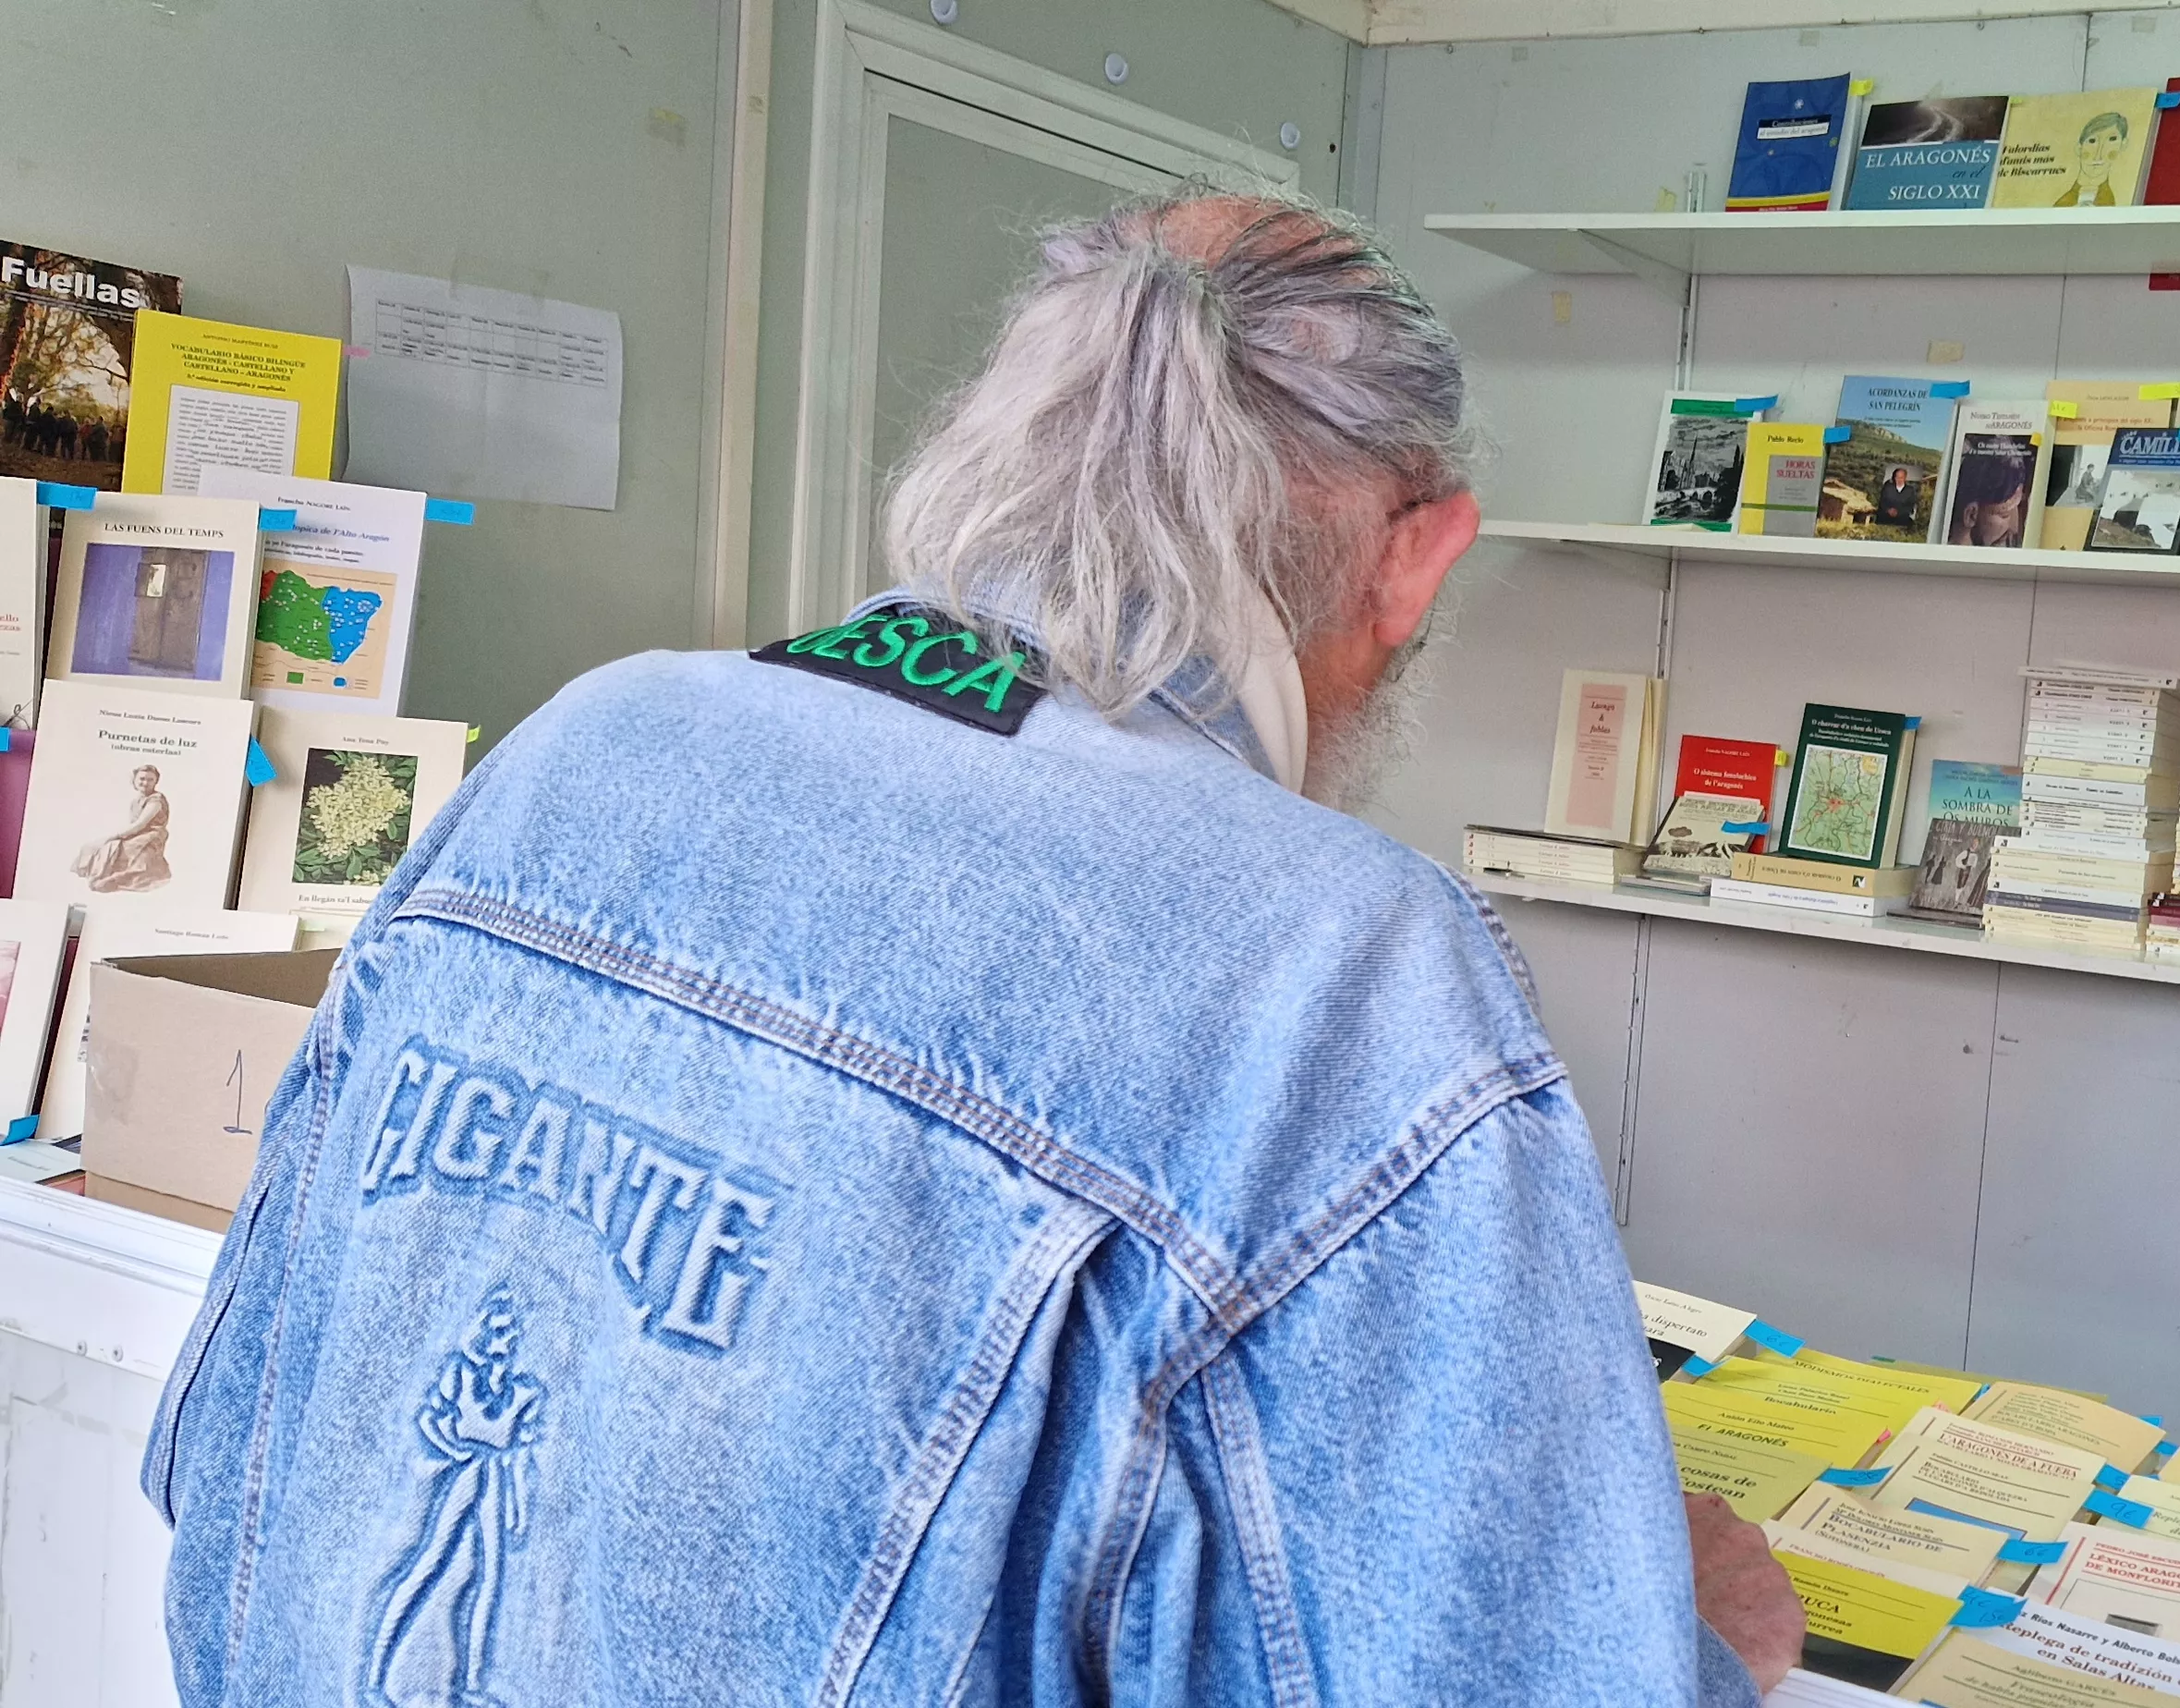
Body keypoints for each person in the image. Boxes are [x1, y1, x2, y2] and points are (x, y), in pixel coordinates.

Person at [142, 189, 1801, 1706]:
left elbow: (224, 1453)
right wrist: (1696, 1634)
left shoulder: (580, 746)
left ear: (1002, 442)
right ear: (1415, 555)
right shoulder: (1338, 960)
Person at [75, 762, 174, 893]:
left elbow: (140, 825)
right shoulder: (137, 800)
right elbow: (133, 825)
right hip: (138, 833)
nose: (145, 783)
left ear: (156, 782)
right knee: (105, 846)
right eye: (142, 779)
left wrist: (113, 836)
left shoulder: (156, 800)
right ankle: (97, 874)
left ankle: (111, 879)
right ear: (135, 780)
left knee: (117, 847)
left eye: (150, 780)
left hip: (152, 836)